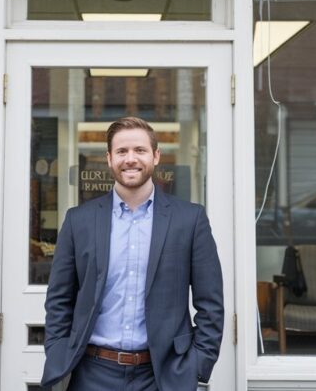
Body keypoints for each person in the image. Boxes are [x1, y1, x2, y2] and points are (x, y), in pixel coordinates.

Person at [41, 117, 223, 391]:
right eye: (122, 151)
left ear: (156, 156)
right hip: (92, 374)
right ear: (109, 158)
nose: (131, 159)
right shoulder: (79, 221)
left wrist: (196, 365)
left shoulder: (190, 219)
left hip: (161, 375)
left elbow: (211, 303)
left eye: (140, 150)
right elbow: (59, 299)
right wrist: (57, 351)